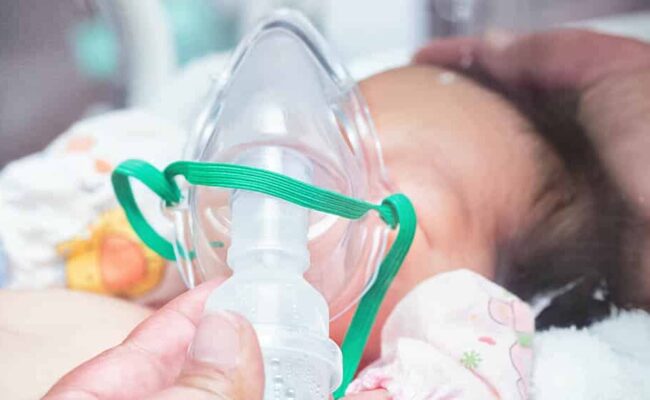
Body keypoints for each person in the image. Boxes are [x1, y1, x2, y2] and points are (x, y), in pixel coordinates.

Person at [2, 29, 649, 399]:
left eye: (391, 182)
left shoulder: (416, 371)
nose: (299, 170)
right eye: (337, 129)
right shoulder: (110, 244)